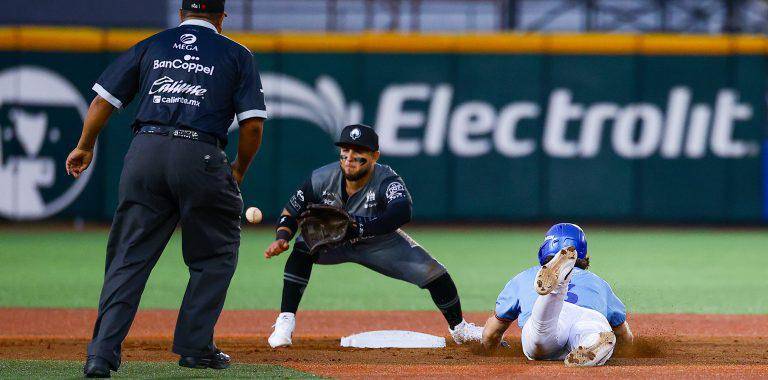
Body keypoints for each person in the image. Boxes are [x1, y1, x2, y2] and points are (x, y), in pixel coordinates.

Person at [65, 0, 267, 377]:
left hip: (145, 153)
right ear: (222, 17)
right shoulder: (237, 54)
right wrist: (237, 169)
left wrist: (85, 145)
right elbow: (253, 126)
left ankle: (100, 355)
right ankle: (195, 348)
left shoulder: (152, 44)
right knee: (214, 255)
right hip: (201, 156)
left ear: (181, 15)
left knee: (128, 258)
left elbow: (101, 100)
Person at [263, 124, 483, 348]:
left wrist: (358, 227)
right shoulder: (321, 178)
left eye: (358, 151)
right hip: (335, 242)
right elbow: (291, 211)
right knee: (303, 246)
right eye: (345, 150)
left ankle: (460, 329)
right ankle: (285, 321)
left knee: (436, 274)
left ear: (374, 156)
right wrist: (282, 237)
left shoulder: (386, 179)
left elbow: (401, 211)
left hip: (379, 242)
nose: (350, 157)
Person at [481, 223, 634, 367]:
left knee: (540, 335)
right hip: (589, 316)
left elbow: (491, 334)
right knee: (592, 330)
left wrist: (492, 351)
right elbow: (624, 336)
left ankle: (556, 288)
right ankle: (593, 340)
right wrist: (623, 352)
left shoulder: (522, 278)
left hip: (549, 322)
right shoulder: (599, 283)